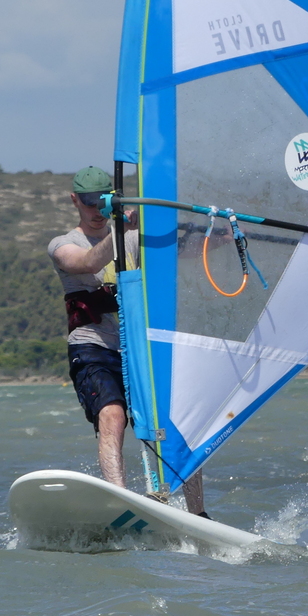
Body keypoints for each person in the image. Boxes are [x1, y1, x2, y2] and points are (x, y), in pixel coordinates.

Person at [48, 166, 207, 516]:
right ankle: (120, 499)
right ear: (75, 200)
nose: (95, 210)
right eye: (88, 203)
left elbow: (182, 250)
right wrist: (121, 229)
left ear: (112, 200)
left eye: (101, 203)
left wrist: (220, 234)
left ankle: (198, 513)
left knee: (176, 425)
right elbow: (89, 261)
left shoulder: (136, 236)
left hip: (140, 348)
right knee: (112, 414)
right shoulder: (63, 245)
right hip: (93, 346)